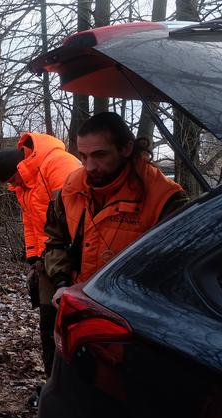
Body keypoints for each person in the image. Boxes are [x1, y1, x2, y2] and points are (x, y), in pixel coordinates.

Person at [44, 112, 189, 305]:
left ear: (126, 148)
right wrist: (61, 283)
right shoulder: (72, 187)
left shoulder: (165, 198)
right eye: (83, 156)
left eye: (100, 155)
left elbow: (178, 270)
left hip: (134, 312)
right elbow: (56, 240)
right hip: (78, 303)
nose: (89, 167)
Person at [0, 132, 81, 377]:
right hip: (48, 260)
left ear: (20, 165)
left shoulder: (58, 164)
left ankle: (68, 385)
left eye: (14, 178)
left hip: (75, 261)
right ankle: (52, 381)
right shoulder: (24, 185)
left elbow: (77, 217)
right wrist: (33, 256)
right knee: (48, 324)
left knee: (73, 327)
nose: (14, 184)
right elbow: (30, 223)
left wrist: (64, 260)